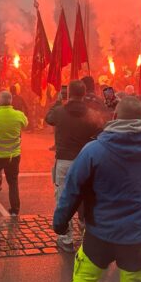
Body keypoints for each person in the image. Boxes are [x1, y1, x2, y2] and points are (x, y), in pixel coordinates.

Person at [53, 97, 141, 282]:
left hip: (100, 232)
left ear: (113, 117)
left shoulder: (94, 150)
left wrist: (60, 223)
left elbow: (72, 189)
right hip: (137, 235)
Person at [45, 80, 104, 253]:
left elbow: (48, 118)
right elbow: (101, 128)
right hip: (85, 159)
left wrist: (57, 101)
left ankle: (66, 238)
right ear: (84, 93)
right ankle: (87, 230)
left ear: (69, 93)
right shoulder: (91, 113)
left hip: (64, 160)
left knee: (63, 197)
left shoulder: (60, 111)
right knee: (87, 195)